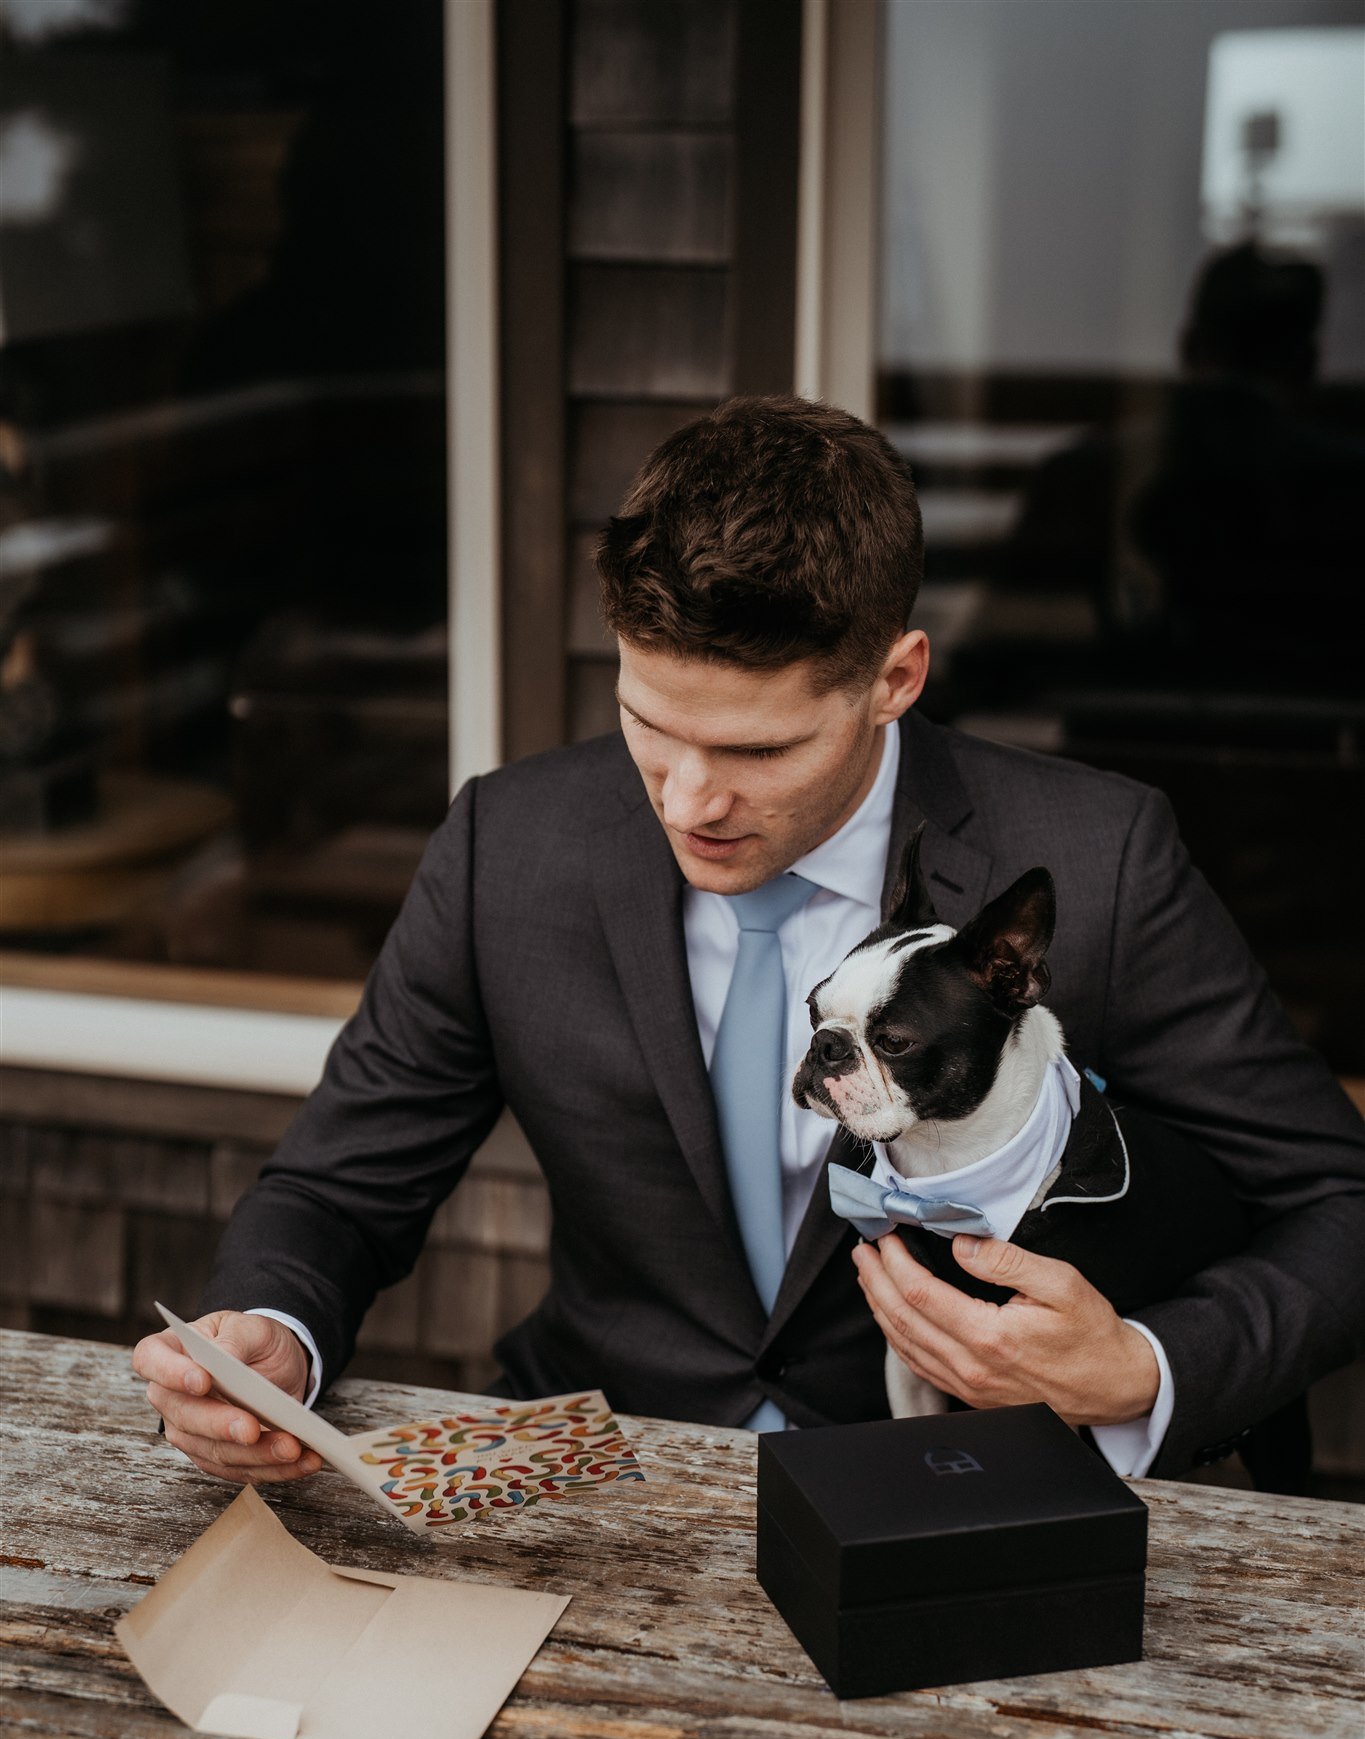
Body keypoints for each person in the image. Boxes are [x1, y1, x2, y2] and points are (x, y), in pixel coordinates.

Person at [132, 397, 1365, 1487]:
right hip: (604, 1470)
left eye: (760, 750)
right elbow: (340, 1186)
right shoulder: (505, 844)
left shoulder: (1100, 857)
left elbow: (1336, 1198)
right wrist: (271, 1331)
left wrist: (1140, 1367)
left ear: (895, 679)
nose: (687, 800)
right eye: (647, 724)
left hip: (970, 1487)